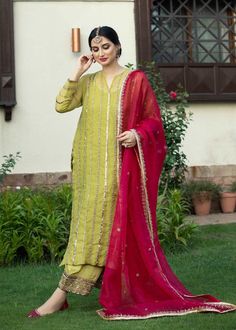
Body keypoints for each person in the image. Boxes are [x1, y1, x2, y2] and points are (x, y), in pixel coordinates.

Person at [27, 26, 236, 320]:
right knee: (86, 228)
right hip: (90, 169)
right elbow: (61, 105)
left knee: (111, 228)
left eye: (106, 47)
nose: (100, 54)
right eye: (96, 49)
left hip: (119, 170)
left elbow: (153, 121)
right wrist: (77, 70)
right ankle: (67, 292)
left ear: (118, 47)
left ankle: (65, 294)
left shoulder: (135, 81)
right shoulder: (87, 83)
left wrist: (137, 135)